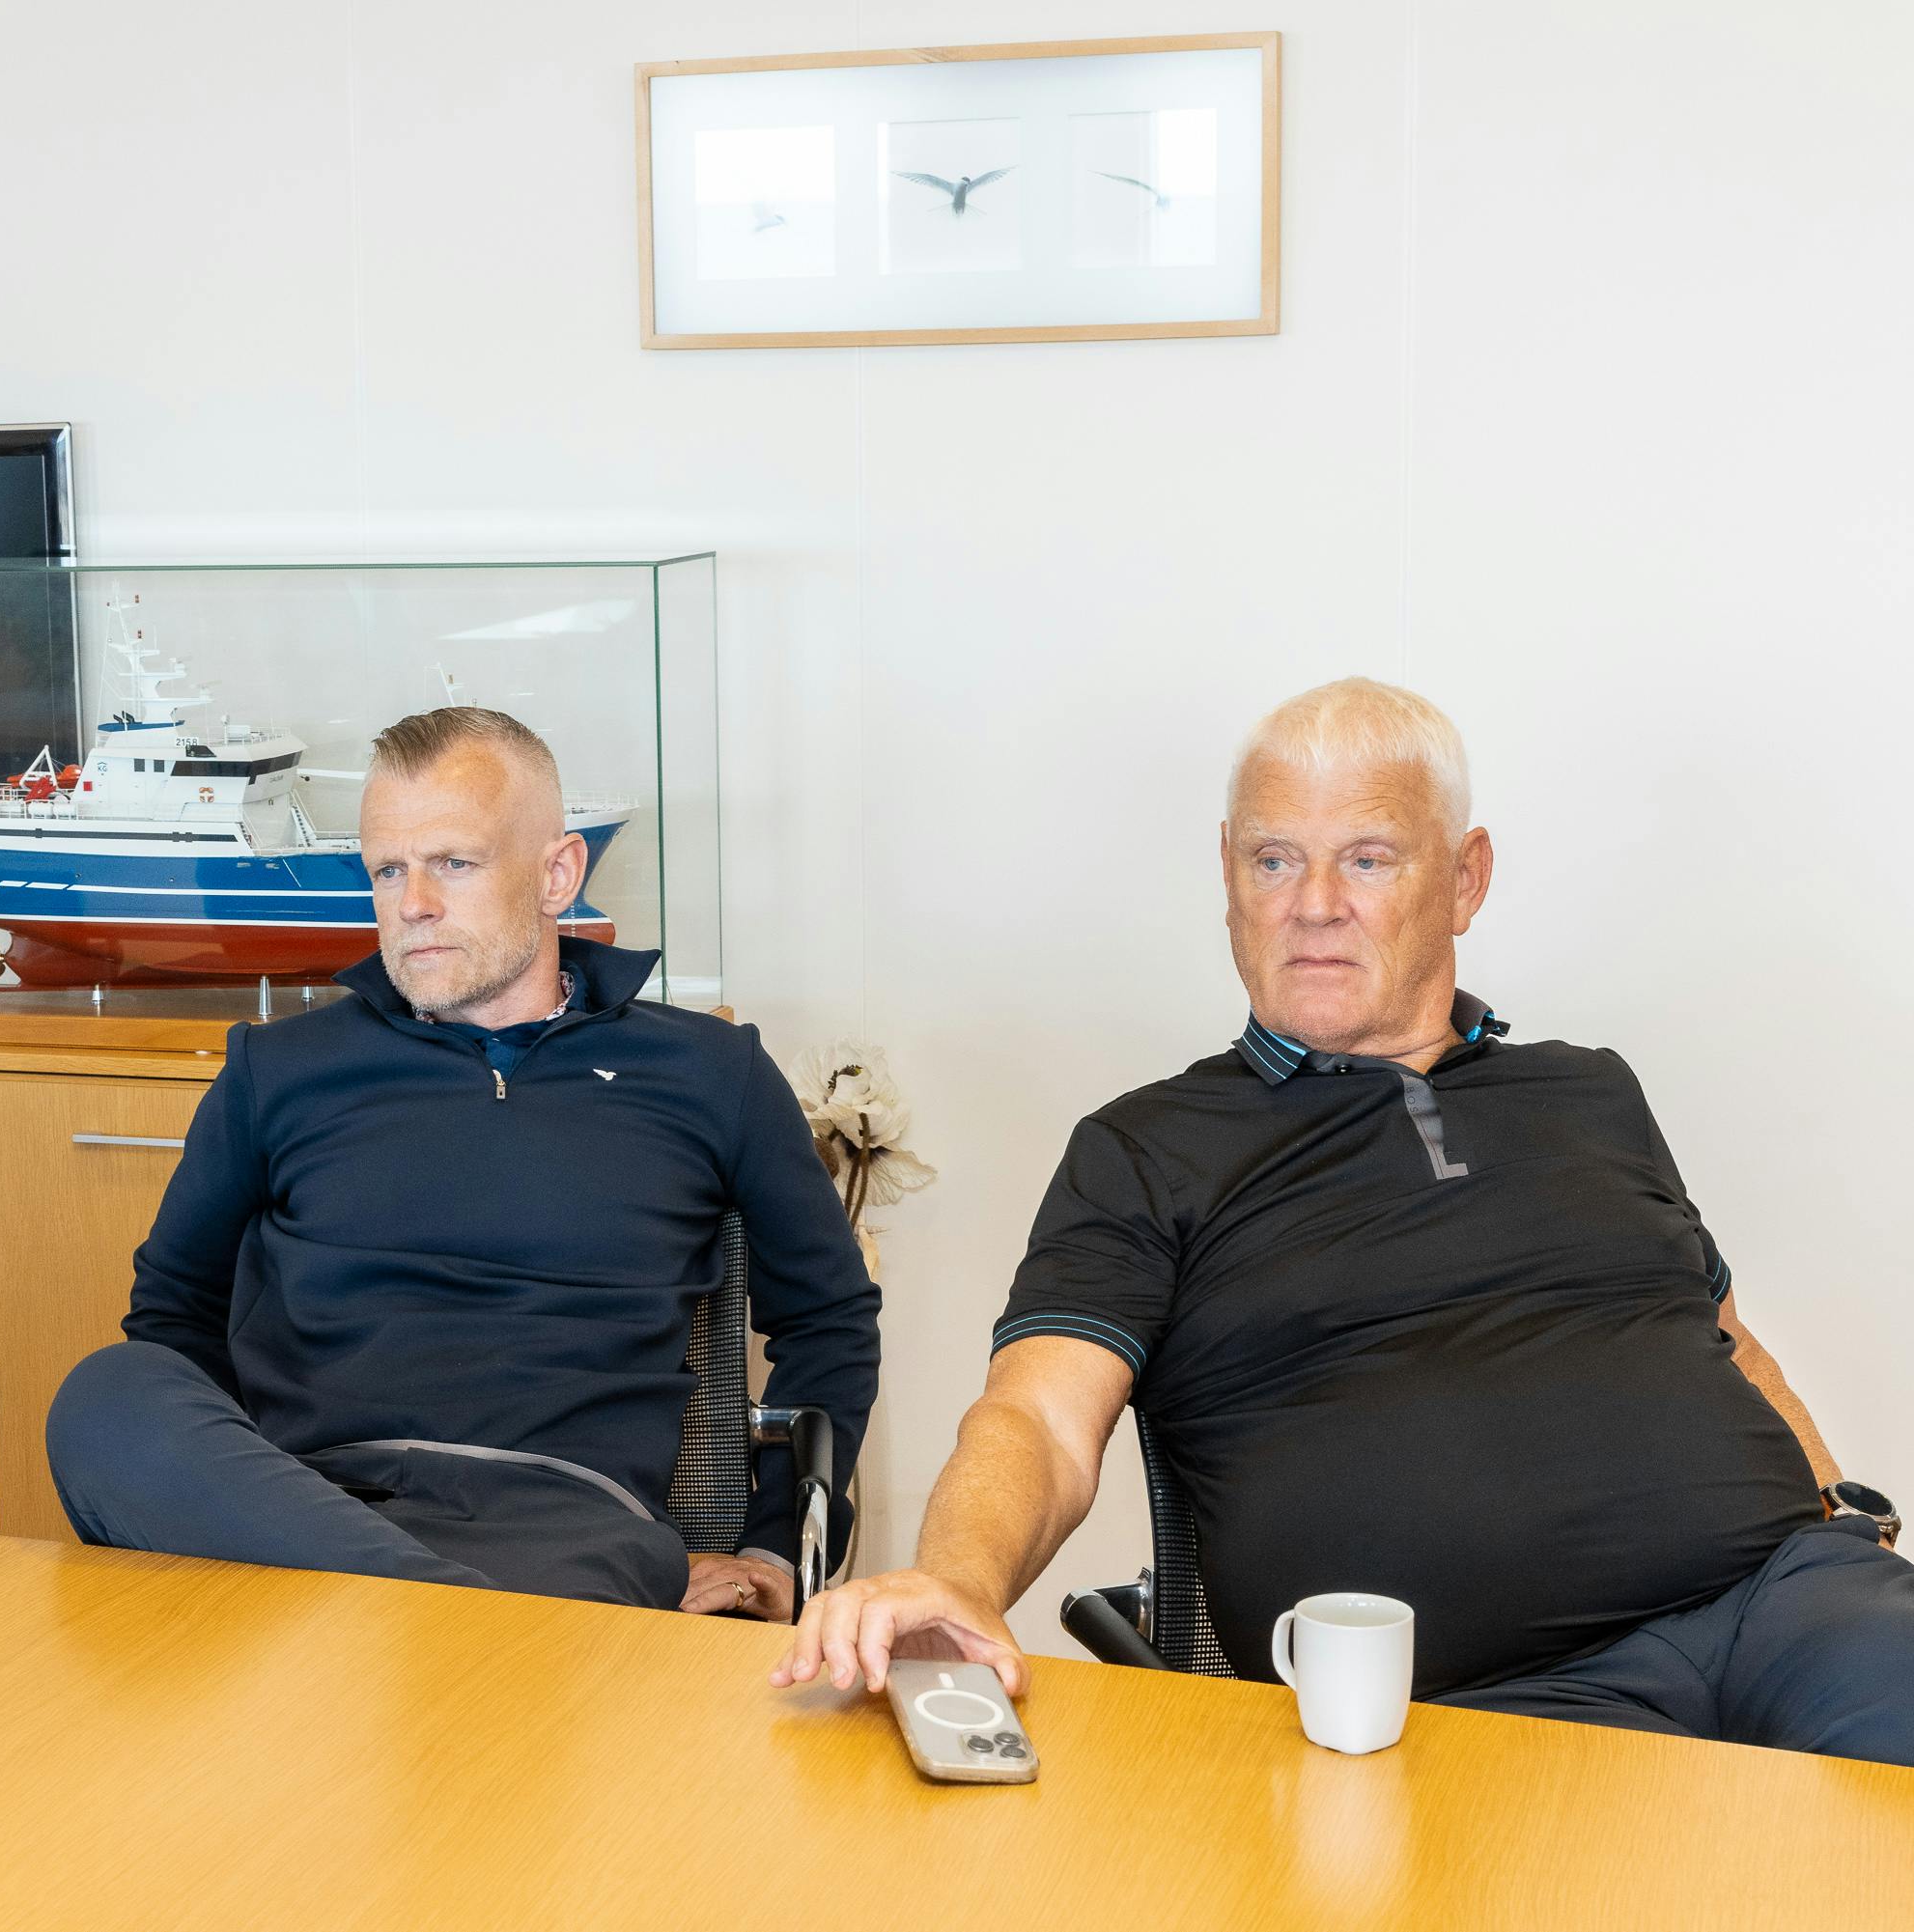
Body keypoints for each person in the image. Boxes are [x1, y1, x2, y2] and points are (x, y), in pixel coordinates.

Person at [775, 678, 1914, 1764]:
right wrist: (959, 1579)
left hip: (1796, 1605)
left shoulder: (1592, 1090)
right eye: (1274, 859)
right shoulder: (1147, 1148)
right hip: (1490, 1696)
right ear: (1229, 875)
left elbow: (1723, 1340)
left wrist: (1838, 1518)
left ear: (1464, 879)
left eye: (1367, 859)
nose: (1313, 904)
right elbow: (1039, 1417)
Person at [43, 707, 880, 1615]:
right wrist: (246, 1502)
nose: (413, 904)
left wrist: (771, 1545)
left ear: (557, 874)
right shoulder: (275, 1069)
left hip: (566, 1530)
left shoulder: (711, 1072)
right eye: (388, 869)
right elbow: (174, 1318)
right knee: (107, 1393)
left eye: (453, 862)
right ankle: (457, 1624)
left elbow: (829, 1319)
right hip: (313, 1513)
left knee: (339, 1618)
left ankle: (416, 1627)